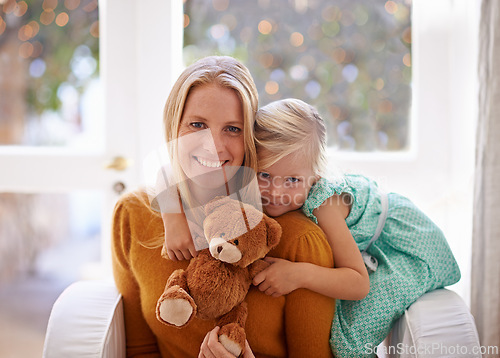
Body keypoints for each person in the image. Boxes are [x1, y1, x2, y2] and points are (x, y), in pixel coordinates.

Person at [111, 57, 334, 358]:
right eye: (197, 125)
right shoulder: (133, 216)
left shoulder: (296, 240)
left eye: (232, 129)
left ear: (252, 139)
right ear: (173, 128)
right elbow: (138, 351)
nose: (213, 145)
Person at [251, 98, 461, 358]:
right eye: (264, 175)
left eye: (292, 180)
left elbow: (358, 283)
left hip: (408, 244)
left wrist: (298, 274)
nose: (275, 191)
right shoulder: (257, 193)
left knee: (348, 339)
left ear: (315, 176)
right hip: (379, 237)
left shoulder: (323, 205)